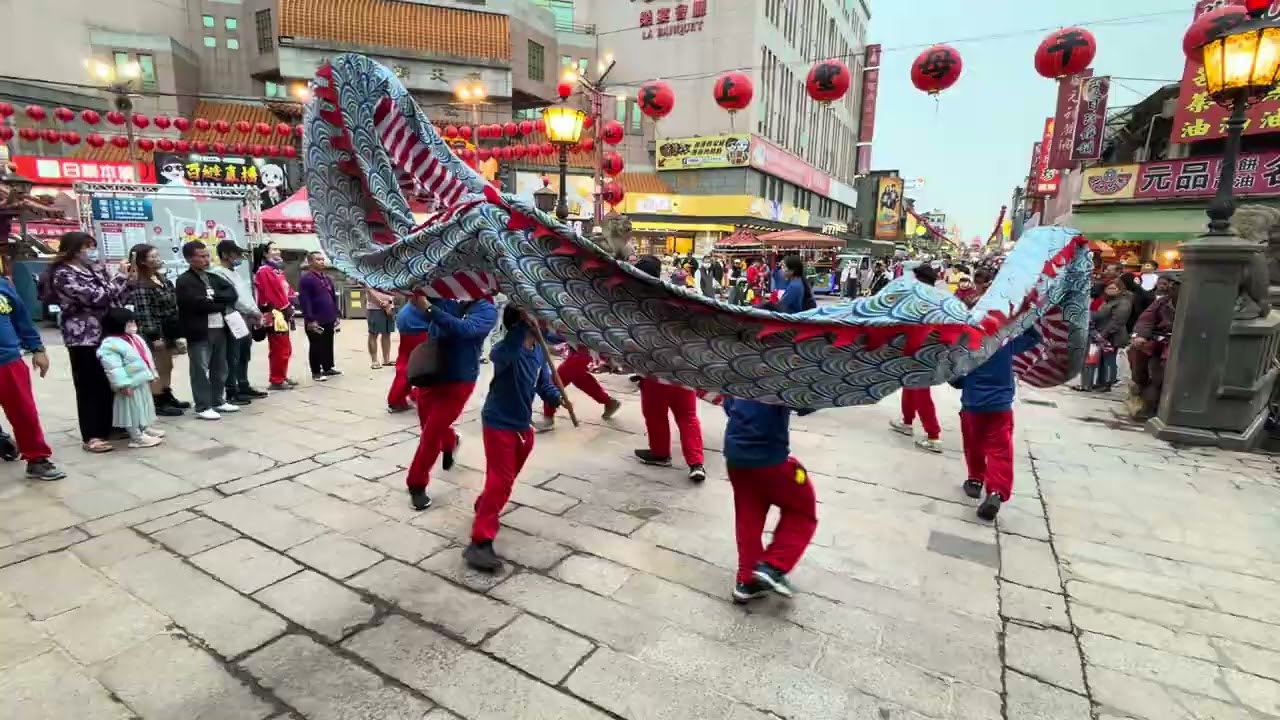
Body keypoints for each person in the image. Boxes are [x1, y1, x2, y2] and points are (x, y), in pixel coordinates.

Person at [722, 276, 817, 604]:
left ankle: (746, 580)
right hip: (771, 461)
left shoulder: (736, 367)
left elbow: (730, 407)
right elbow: (807, 405)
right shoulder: (782, 371)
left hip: (736, 457)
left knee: (748, 518)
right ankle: (774, 567)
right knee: (803, 507)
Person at [463, 306, 563, 571]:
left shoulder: (539, 349)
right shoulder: (508, 347)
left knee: (503, 481)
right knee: (501, 481)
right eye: (539, 317)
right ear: (523, 320)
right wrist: (518, 331)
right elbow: (498, 355)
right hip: (498, 422)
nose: (545, 321)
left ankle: (485, 504)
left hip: (522, 425)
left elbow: (543, 383)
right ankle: (480, 542)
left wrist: (554, 395)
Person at [404, 294, 498, 511]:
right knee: (430, 429)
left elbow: (465, 330)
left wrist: (429, 309)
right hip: (431, 373)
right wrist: (414, 298)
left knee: (430, 436)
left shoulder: (486, 309)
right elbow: (416, 313)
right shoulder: (444, 298)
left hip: (459, 380)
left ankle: (416, 484)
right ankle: (451, 440)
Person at [42, 232, 129, 453]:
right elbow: (96, 297)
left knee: (108, 380)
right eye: (87, 247)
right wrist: (119, 278)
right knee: (89, 385)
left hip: (106, 332)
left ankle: (110, 426)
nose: (91, 251)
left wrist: (122, 281)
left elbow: (114, 295)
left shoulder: (93, 268)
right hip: (83, 337)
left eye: (92, 246)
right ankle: (92, 435)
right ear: (73, 248)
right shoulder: (63, 274)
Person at [952, 327, 1041, 521]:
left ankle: (975, 480)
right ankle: (996, 493)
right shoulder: (1005, 341)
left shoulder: (965, 344)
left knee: (974, 444)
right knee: (1000, 450)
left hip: (973, 403)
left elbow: (954, 377)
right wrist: (1025, 318)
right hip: (1001, 405)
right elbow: (1033, 338)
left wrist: (963, 381)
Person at [632, 255, 707, 482]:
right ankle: (696, 463)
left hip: (656, 369)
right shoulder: (680, 296)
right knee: (688, 416)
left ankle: (661, 452)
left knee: (655, 414)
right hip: (683, 367)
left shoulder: (639, 302)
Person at [0, 276, 65, 480]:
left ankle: (37, 459)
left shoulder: (3, 285)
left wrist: (36, 348)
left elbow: (21, 318)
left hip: (7, 360)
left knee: (24, 412)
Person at [175, 241, 241, 421]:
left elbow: (232, 295)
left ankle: (218, 400)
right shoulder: (184, 280)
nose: (206, 259)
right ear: (190, 258)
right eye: (201, 256)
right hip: (199, 330)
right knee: (200, 369)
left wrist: (214, 300)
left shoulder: (213, 277)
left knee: (220, 367)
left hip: (220, 328)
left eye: (207, 255)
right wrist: (216, 303)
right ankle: (203, 405)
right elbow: (198, 304)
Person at [126, 243, 188, 417]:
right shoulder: (140, 284)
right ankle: (157, 398)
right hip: (154, 331)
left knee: (167, 364)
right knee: (156, 366)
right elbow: (144, 312)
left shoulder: (161, 279)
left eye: (157, 255)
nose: (157, 259)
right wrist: (154, 336)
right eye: (152, 257)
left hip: (169, 328)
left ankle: (166, 393)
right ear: (142, 262)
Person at [890, 264, 944, 453]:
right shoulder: (936, 297)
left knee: (921, 392)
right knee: (910, 385)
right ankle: (906, 421)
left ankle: (933, 435)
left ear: (920, 279)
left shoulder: (921, 298)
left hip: (921, 350)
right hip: (921, 348)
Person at [96, 307, 166, 449]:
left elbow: (146, 357)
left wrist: (152, 373)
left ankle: (144, 428)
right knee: (131, 410)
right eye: (129, 322)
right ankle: (136, 436)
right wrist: (123, 384)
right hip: (129, 383)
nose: (133, 325)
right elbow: (113, 368)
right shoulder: (111, 344)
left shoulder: (136, 338)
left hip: (141, 379)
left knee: (144, 405)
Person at [211, 241, 268, 405]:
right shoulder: (218, 274)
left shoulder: (234, 273)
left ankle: (243, 384)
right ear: (225, 255)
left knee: (244, 353)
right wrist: (252, 311)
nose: (240, 258)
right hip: (233, 318)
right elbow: (235, 298)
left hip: (246, 317)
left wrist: (254, 311)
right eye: (236, 254)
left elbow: (245, 295)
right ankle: (232, 389)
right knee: (233, 355)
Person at [534, 341, 621, 432]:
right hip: (578, 348)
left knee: (555, 382)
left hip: (585, 349)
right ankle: (608, 401)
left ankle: (548, 418)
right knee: (579, 378)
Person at [1127, 275, 1179, 419]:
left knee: (1161, 374)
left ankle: (1153, 406)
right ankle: (1139, 386)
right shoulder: (1163, 302)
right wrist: (1140, 335)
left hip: (1180, 344)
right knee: (1137, 352)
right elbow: (1147, 318)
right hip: (1160, 341)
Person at [253, 241, 296, 390]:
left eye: (279, 249)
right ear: (265, 253)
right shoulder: (265, 271)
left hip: (282, 313)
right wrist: (286, 307)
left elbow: (286, 290)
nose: (278, 252)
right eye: (274, 249)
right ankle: (277, 379)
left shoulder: (277, 271)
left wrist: (292, 300)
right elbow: (272, 294)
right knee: (280, 347)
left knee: (285, 347)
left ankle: (281, 375)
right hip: (275, 314)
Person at [298, 251, 342, 381]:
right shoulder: (307, 279)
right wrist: (310, 319)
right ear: (310, 262)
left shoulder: (326, 278)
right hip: (315, 319)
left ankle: (328, 367)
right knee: (316, 344)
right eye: (318, 259)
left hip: (328, 316)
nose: (321, 262)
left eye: (322, 259)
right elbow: (305, 300)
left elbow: (332, 297)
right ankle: (316, 371)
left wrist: (336, 314)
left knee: (328, 343)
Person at [387, 297, 431, 413]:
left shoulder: (419, 284)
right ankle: (417, 396)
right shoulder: (432, 287)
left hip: (406, 321)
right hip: (419, 327)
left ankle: (397, 398)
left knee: (405, 361)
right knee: (423, 366)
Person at [365, 286, 396, 369]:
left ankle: (386, 359)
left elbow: (393, 290)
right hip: (375, 309)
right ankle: (374, 360)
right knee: (373, 334)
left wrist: (389, 302)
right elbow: (370, 292)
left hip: (389, 308)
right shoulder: (369, 278)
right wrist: (382, 303)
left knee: (386, 333)